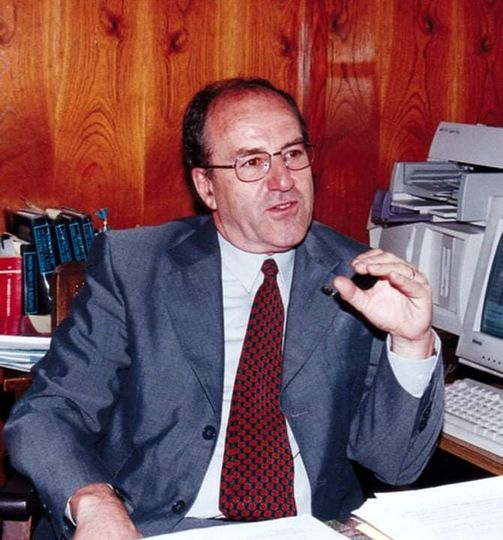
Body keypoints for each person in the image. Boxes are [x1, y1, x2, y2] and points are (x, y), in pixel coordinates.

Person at [5, 78, 443, 539]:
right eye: (252, 162)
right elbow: (49, 411)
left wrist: (411, 342)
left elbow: (394, 465)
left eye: (293, 154)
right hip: (156, 528)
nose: (283, 181)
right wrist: (94, 500)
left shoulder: (358, 277)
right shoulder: (135, 268)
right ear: (207, 186)